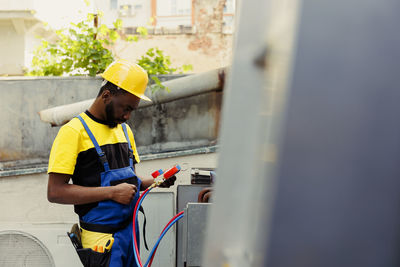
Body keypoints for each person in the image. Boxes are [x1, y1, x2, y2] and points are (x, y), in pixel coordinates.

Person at [47, 59, 176, 267]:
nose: (127, 116)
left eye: (132, 110)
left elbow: (128, 181)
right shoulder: (73, 132)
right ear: (106, 95)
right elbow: (55, 192)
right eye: (125, 108)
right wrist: (111, 193)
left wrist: (151, 182)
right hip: (100, 242)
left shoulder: (125, 131)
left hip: (129, 236)